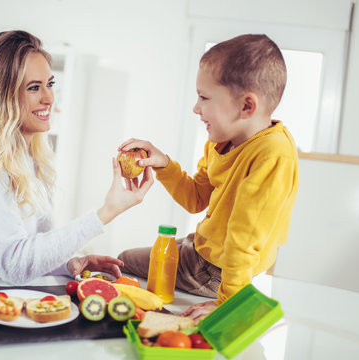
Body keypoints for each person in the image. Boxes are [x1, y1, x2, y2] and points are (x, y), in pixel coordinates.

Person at [0, 30, 153, 283]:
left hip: (1, 297)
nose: (48, 98)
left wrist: (72, 261)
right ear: (3, 95)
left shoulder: (29, 152)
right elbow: (14, 264)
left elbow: (34, 250)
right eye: (34, 88)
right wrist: (106, 211)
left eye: (50, 84)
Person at [117, 34, 299, 321]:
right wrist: (164, 164)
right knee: (137, 258)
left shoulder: (273, 154)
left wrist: (228, 303)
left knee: (123, 260)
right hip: (204, 248)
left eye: (204, 97)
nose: (196, 108)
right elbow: (196, 199)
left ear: (246, 106)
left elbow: (244, 237)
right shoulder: (221, 141)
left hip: (218, 269)